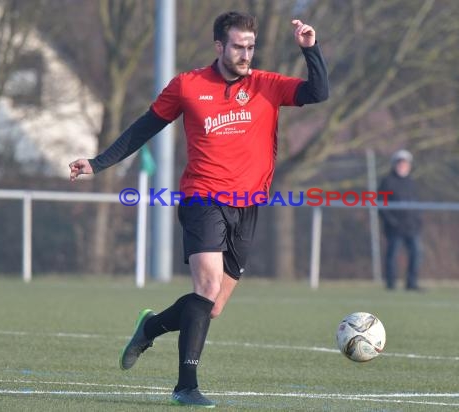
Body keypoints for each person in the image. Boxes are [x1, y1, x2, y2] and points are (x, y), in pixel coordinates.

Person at [69, 11, 328, 408]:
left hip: (248, 207)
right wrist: (99, 162)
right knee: (205, 290)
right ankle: (185, 386)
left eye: (251, 47)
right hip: (202, 198)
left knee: (213, 307)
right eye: (238, 46)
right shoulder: (188, 86)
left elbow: (318, 92)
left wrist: (310, 50)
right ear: (219, 46)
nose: (246, 54)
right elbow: (144, 128)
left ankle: (150, 327)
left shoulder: (266, 85)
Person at [378, 149, 423, 291]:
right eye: (400, 163)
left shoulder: (411, 182)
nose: (402, 166)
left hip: (411, 227)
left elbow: (416, 204)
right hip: (395, 228)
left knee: (416, 254)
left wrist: (418, 221)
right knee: (392, 256)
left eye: (405, 163)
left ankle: (411, 283)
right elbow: (381, 205)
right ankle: (391, 284)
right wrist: (391, 221)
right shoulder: (387, 182)